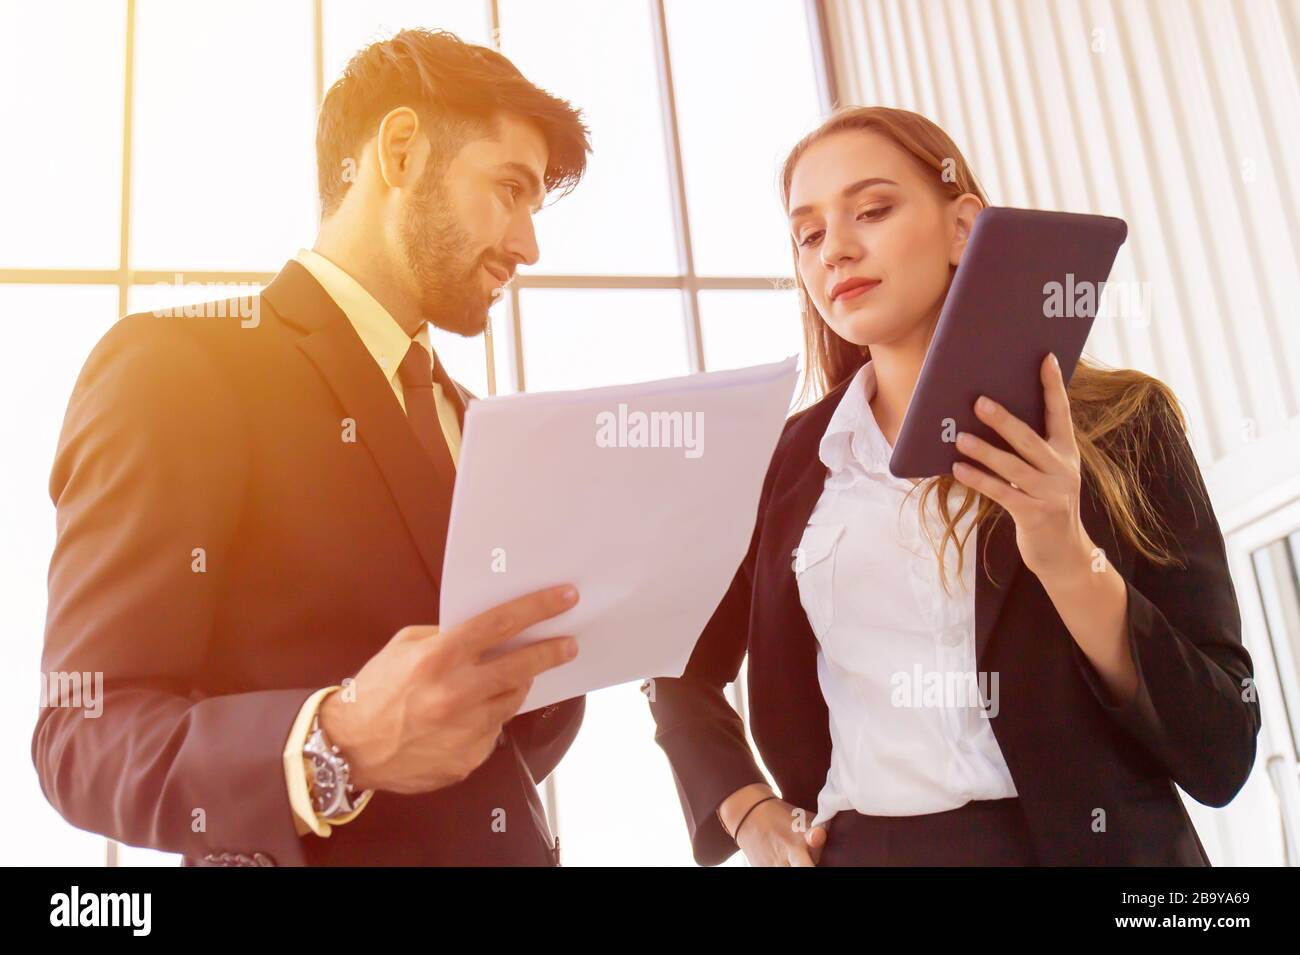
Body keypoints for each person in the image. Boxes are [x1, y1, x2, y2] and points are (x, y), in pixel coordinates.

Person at [34, 29, 592, 866]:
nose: (527, 245)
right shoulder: (176, 366)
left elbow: (488, 746)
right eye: (508, 190)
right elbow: (80, 734)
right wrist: (336, 747)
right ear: (400, 150)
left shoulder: (485, 428)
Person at [647, 106, 1260, 866]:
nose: (836, 249)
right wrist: (747, 811)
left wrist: (1068, 558)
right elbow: (674, 663)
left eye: (871, 210)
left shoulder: (1126, 426)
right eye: (808, 234)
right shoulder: (781, 464)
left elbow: (1221, 744)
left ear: (964, 225)